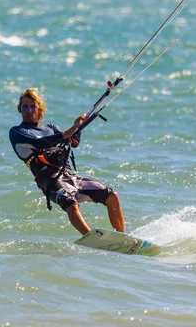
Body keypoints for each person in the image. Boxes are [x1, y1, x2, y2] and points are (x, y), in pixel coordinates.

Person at [9, 88, 126, 235]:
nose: (29, 110)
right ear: (19, 109)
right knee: (70, 203)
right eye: (25, 106)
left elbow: (74, 141)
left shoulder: (51, 128)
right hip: (49, 179)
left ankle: (122, 236)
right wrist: (71, 129)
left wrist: (79, 126)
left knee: (111, 196)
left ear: (39, 108)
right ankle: (91, 238)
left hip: (69, 176)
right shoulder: (17, 132)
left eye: (32, 106)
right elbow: (42, 143)